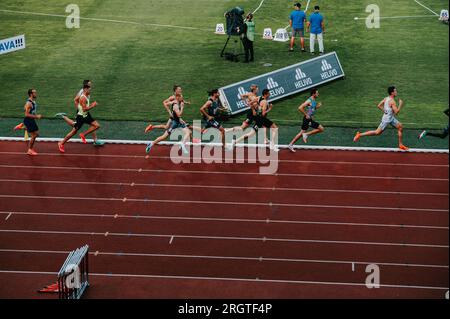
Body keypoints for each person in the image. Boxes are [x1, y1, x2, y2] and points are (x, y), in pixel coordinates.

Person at [353, 86, 409, 151]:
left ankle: (400, 145)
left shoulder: (386, 98)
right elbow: (396, 112)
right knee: (377, 132)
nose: (396, 92)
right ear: (392, 93)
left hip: (391, 118)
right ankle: (359, 134)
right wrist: (400, 104)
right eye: (395, 91)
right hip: (386, 120)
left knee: (400, 127)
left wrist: (385, 111)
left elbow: (379, 105)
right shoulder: (392, 101)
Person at [55, 80, 104, 146]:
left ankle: (93, 139)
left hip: (85, 113)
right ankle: (61, 143)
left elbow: (85, 105)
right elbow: (76, 100)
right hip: (81, 114)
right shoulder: (82, 94)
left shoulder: (87, 93)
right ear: (85, 87)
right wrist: (80, 108)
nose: (91, 87)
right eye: (89, 85)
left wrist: (89, 105)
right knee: (74, 130)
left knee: (95, 125)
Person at [288, 88, 325, 152]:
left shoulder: (313, 100)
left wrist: (317, 107)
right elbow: (300, 108)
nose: (318, 94)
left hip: (309, 119)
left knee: (301, 132)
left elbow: (311, 109)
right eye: (317, 93)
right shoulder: (309, 100)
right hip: (307, 120)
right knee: (321, 129)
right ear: (313, 94)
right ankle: (306, 134)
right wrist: (306, 114)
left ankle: (291, 144)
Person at [22, 89, 42, 156]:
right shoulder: (29, 103)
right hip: (28, 120)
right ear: (31, 94)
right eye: (34, 93)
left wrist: (28, 109)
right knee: (34, 135)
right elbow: (26, 114)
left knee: (36, 134)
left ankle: (24, 127)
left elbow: (24, 108)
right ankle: (29, 150)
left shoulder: (32, 101)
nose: (36, 93)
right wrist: (36, 116)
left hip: (31, 120)